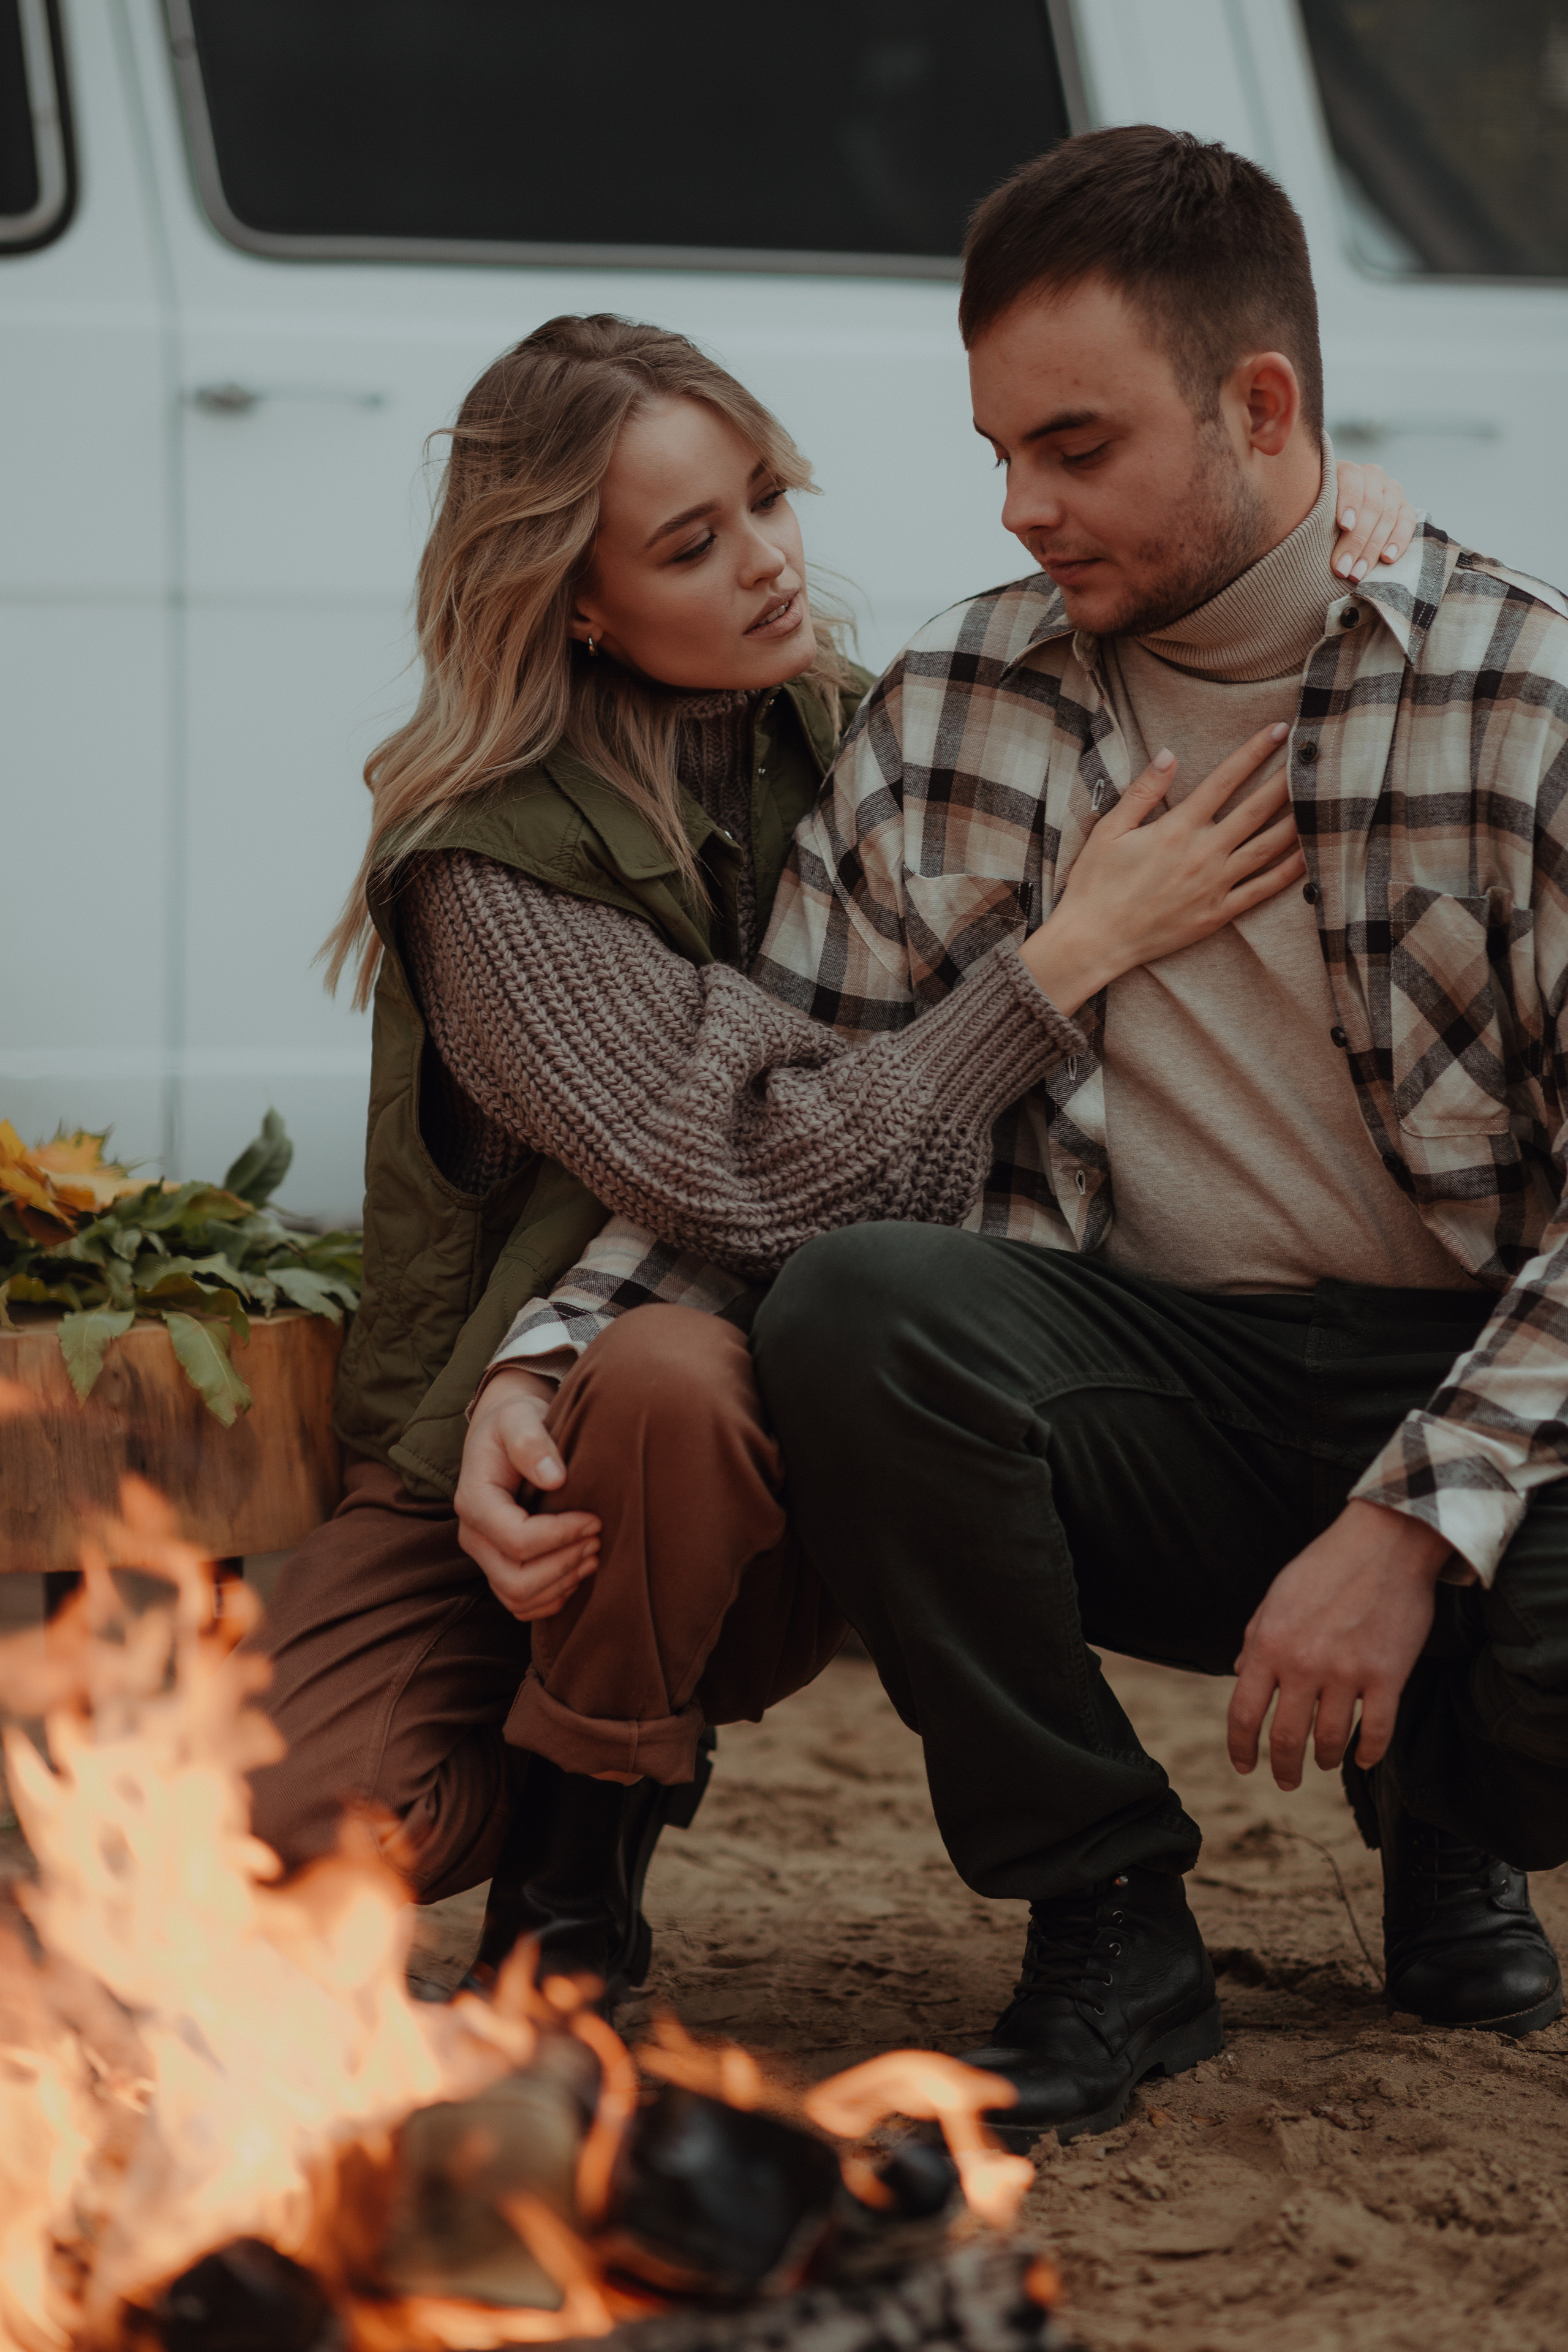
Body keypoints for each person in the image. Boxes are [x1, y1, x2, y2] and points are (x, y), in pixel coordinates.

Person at [249, 310, 1406, 2001]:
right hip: (490, 1464)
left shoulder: (884, 740)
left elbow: (1189, 622)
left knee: (665, 1375)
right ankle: (604, 1721)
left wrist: (1337, 514)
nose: (772, 564)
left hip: (777, 1438)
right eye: (693, 543)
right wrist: (1056, 966)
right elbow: (749, 1181)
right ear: (576, 599)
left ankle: (577, 1881)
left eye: (770, 500)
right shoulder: (486, 866)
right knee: (278, 1844)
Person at [734, 125, 1568, 2145]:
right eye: (1000, 448)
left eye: (1078, 447)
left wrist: (1408, 1521)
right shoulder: (950, 702)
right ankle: (1107, 1909)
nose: (1022, 507)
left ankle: (1451, 1806)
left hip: (1463, 1383)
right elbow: (783, 1114)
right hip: (1143, 1386)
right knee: (858, 1314)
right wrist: (556, 1355)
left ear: (1260, 404)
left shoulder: (1522, 703)